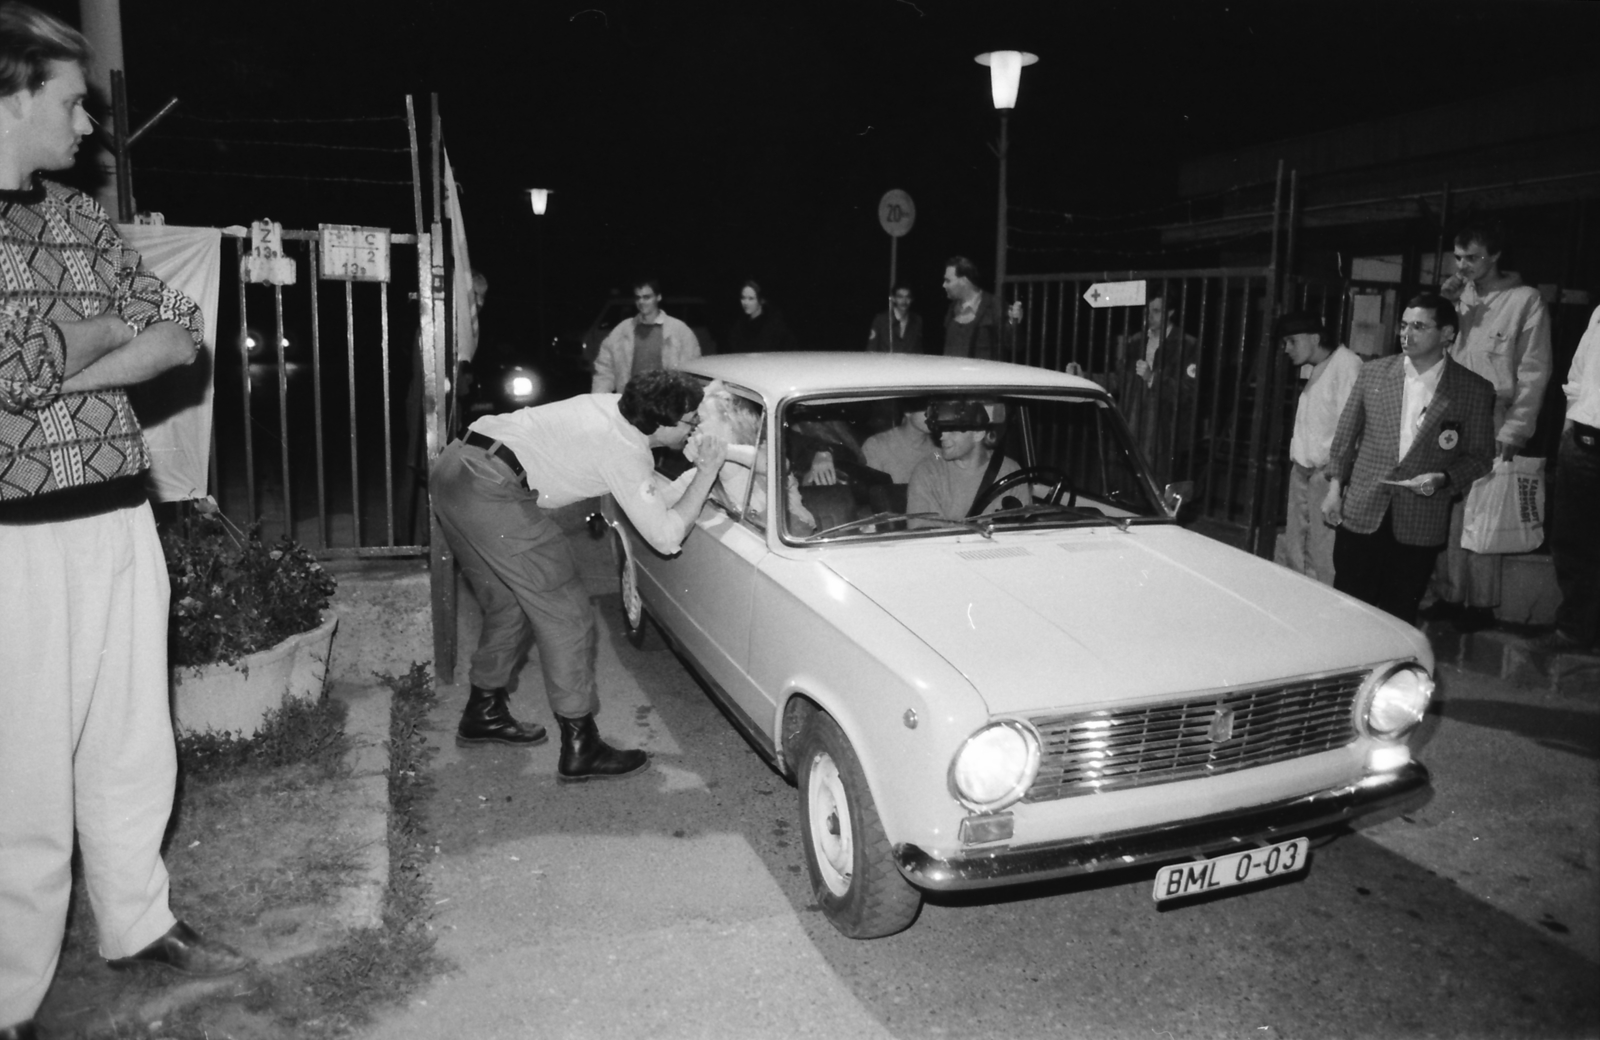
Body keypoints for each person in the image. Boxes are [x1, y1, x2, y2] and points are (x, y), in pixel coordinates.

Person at [0, 8, 248, 1035]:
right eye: (71, 97)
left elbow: (179, 334)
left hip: (116, 513)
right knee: (20, 762)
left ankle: (138, 921)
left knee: (132, 740)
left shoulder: (80, 220)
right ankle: (10, 988)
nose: (93, 122)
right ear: (10, 91)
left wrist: (60, 349)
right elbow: (8, 371)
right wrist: (95, 340)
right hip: (13, 538)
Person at [430, 369, 727, 781]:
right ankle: (581, 747)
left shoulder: (614, 410)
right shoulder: (624, 449)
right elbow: (665, 537)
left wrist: (695, 478)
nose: (694, 427)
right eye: (691, 420)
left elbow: (649, 498)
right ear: (661, 422)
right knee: (565, 613)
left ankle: (483, 711)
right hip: (491, 488)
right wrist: (709, 472)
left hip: (455, 469)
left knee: (510, 602)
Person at [1321, 294, 1496, 624]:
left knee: (1399, 610)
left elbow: (1480, 457)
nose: (1406, 334)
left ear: (1447, 334)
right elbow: (1345, 436)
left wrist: (1442, 479)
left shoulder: (1472, 389)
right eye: (1403, 325)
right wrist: (1334, 488)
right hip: (1363, 509)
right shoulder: (1374, 374)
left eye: (1418, 326)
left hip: (1421, 517)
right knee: (1348, 602)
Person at [1425, 223, 1553, 631]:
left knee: (1484, 510)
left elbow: (1533, 371)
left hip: (1493, 412)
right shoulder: (1457, 299)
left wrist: (1516, 429)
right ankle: (1450, 594)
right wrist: (1441, 305)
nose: (1464, 266)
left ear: (1495, 257)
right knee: (1447, 506)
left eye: (1473, 258)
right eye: (1458, 258)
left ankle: (1480, 604)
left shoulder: (1524, 301)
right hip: (1448, 410)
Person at [1279, 312, 1363, 586]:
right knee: (1297, 548)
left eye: (1292, 341)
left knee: (1322, 553)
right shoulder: (1314, 366)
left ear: (1315, 338)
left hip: (1324, 472)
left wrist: (1334, 476)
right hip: (1302, 470)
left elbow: (1352, 427)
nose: (1287, 349)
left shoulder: (1347, 364)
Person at [1535, 304, 1600, 651]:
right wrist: (1567, 433)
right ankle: (1574, 630)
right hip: (1583, 442)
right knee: (1572, 542)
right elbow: (1576, 379)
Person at [1112, 294, 1200, 477]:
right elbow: (1119, 380)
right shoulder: (1136, 341)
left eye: (1156, 311)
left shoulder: (1187, 345)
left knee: (1155, 487)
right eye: (1147, 311)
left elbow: (1188, 393)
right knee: (1128, 482)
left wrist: (1153, 378)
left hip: (1162, 435)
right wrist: (1085, 377)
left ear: (1170, 312)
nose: (1149, 316)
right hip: (1132, 425)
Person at [907, 399, 1027, 522]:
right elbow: (924, 534)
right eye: (942, 429)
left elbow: (1026, 531)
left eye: (952, 430)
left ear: (978, 434)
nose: (942, 436)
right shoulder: (928, 472)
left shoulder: (1011, 472)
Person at [591, 277, 701, 393]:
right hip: (630, 402)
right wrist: (597, 397)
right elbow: (604, 370)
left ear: (658, 297)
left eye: (647, 297)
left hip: (666, 403)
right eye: (638, 298)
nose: (641, 302)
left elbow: (693, 371)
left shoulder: (679, 331)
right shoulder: (622, 331)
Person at [940, 256, 1018, 361]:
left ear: (963, 281)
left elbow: (1014, 345)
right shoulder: (952, 308)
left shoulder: (994, 305)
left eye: (948, 281)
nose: (944, 285)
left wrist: (1013, 323)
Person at [863, 398, 937, 483]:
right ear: (908, 411)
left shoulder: (937, 452)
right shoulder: (876, 446)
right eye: (929, 410)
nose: (934, 416)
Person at [726, 279, 797, 353]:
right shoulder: (738, 327)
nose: (745, 303)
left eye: (751, 298)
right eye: (743, 298)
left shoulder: (775, 327)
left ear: (761, 300)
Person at [866, 284, 923, 353]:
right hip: (884, 363)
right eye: (900, 297)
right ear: (893, 298)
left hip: (909, 363)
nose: (904, 301)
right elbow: (871, 349)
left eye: (907, 297)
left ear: (911, 299)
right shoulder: (881, 320)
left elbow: (918, 349)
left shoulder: (917, 320)